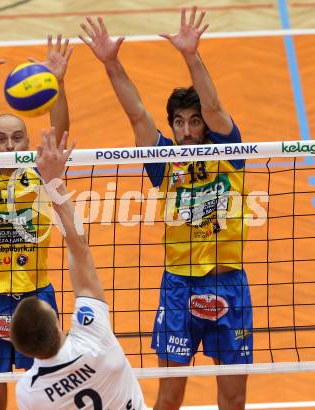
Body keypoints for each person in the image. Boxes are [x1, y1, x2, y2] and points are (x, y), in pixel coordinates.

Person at [80, 8, 252, 410]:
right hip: (178, 289)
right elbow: (137, 113)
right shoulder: (164, 162)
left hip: (229, 285)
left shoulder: (230, 152)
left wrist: (192, 56)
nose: (189, 129)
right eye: (180, 122)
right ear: (172, 126)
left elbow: (214, 107)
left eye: (195, 121)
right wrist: (111, 63)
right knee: (169, 397)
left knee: (233, 398)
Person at [0, 32, 72, 410]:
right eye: (1, 139)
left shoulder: (40, 172)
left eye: (17, 138)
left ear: (28, 143)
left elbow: (61, 132)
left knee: (45, 399)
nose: (9, 146)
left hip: (35, 298)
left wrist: (57, 83)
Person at [10, 127, 147, 410]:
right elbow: (79, 249)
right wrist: (53, 183)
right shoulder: (93, 336)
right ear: (58, 324)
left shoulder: (29, 392)